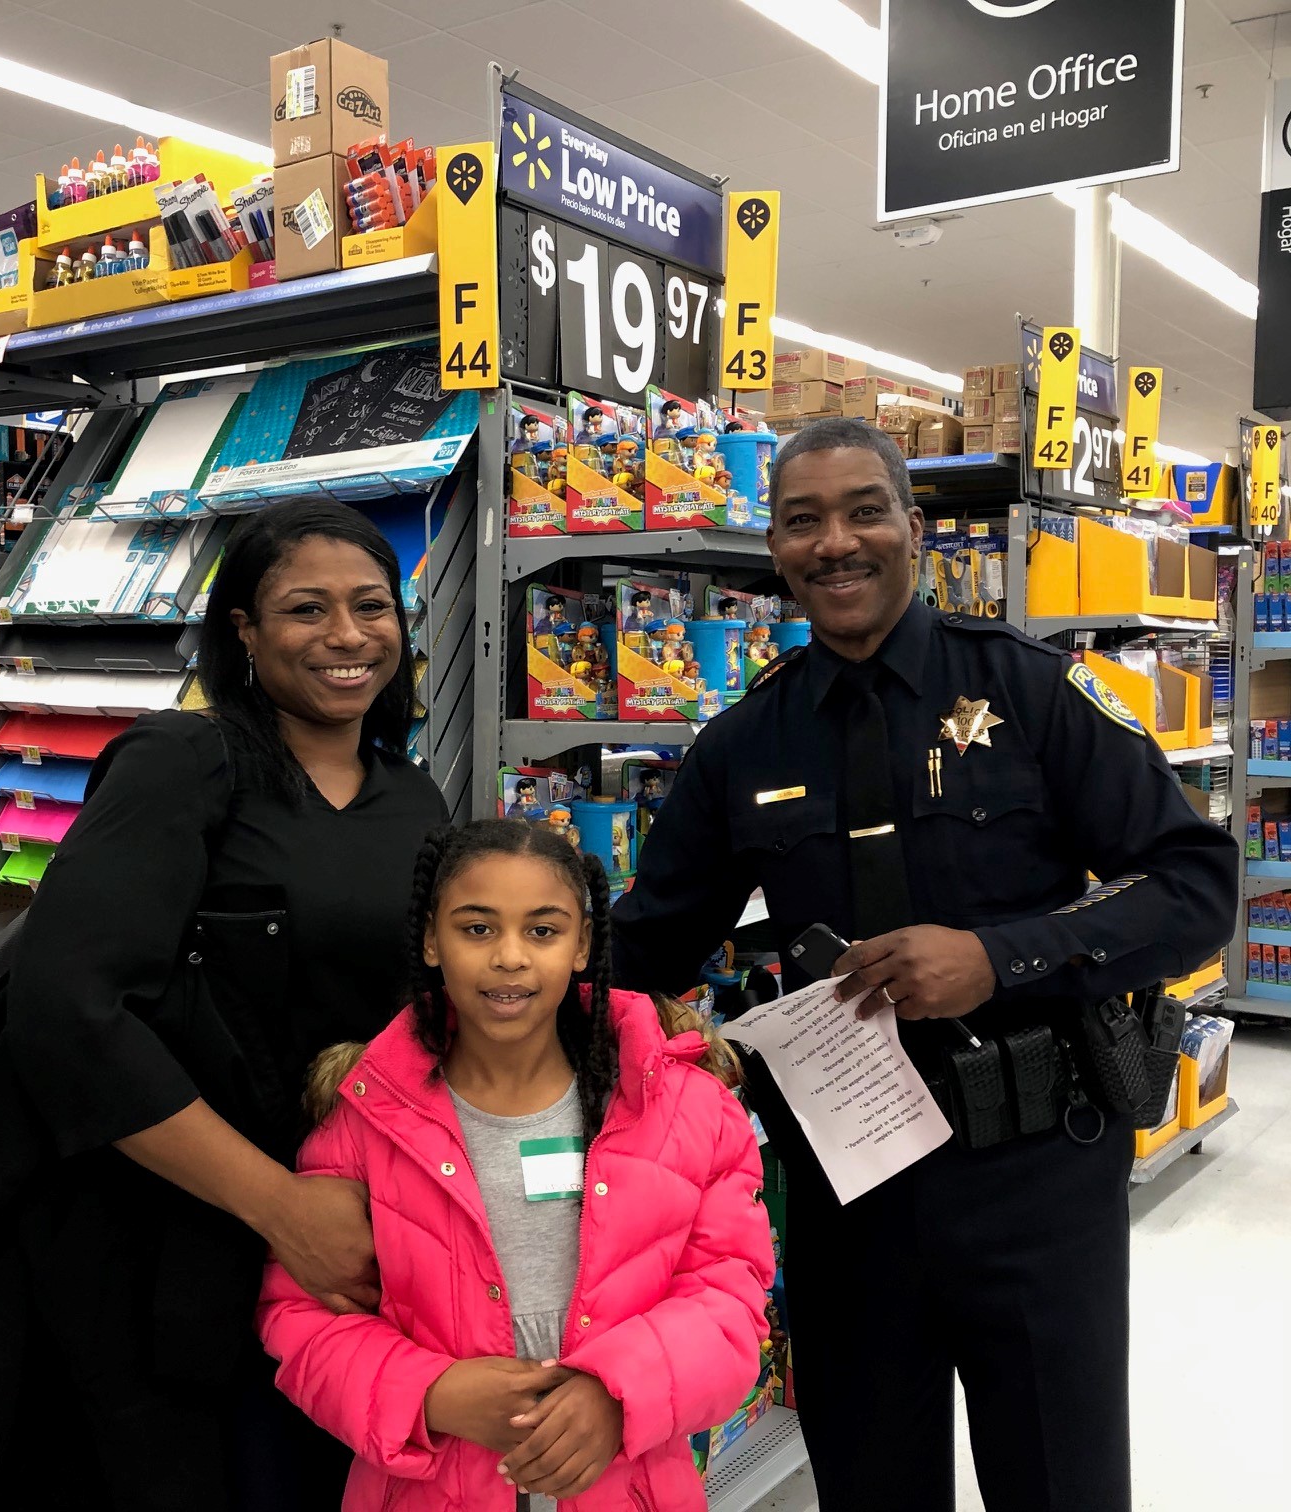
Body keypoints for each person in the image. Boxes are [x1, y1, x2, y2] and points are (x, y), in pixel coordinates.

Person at [610, 417, 1238, 1512]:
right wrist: (487, 984)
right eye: (803, 522)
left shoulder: (1034, 694)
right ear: (775, 547)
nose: (835, 544)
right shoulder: (740, 747)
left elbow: (1196, 886)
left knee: (1061, 1482)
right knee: (869, 1484)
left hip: (1038, 1170)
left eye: (864, 512)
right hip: (851, 1194)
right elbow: (645, 947)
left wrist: (1004, 956)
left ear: (914, 526)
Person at [0, 499, 449, 1512]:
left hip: (320, 1230)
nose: (346, 637)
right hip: (149, 1227)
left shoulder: (412, 795)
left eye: (371, 606)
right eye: (305, 609)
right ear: (242, 629)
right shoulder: (183, 764)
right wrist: (277, 1207)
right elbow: (70, 1012)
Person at [257, 820, 774, 1512]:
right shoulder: (365, 1115)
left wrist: (619, 1394)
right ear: (431, 941)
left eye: (542, 930)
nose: (509, 958)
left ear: (583, 943)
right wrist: (429, 1393)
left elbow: (730, 1300)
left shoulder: (684, 1106)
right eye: (477, 929)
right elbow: (300, 1315)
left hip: (629, 1482)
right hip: (428, 1486)